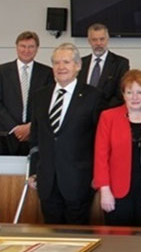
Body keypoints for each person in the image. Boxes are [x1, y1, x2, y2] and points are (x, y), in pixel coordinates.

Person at [29, 43, 103, 224]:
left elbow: (99, 140)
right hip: (47, 181)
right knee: (52, 238)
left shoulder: (93, 96)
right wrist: (33, 171)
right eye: (56, 63)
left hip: (79, 181)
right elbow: (35, 137)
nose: (61, 67)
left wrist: (98, 175)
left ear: (78, 66)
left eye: (66, 62)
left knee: (77, 237)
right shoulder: (40, 96)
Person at [93, 70, 141, 226]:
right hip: (118, 190)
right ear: (123, 93)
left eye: (139, 92)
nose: (134, 97)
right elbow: (100, 157)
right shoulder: (108, 117)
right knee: (120, 239)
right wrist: (104, 190)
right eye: (129, 92)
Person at [0, 31, 52, 156]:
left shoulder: (47, 73)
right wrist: (15, 128)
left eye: (31, 47)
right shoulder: (2, 71)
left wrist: (30, 126)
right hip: (5, 135)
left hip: (34, 135)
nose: (26, 50)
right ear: (17, 47)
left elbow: (48, 104)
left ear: (37, 48)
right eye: (23, 46)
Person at [77, 23, 130, 108]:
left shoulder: (120, 63)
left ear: (107, 39)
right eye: (94, 40)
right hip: (81, 112)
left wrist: (100, 110)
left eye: (102, 39)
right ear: (89, 41)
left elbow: (121, 93)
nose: (98, 43)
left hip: (107, 112)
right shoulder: (80, 63)